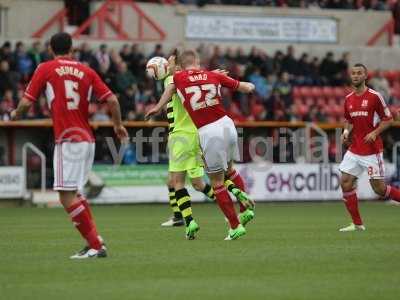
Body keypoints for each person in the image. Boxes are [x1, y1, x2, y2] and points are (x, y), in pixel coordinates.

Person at [11, 32, 128, 258]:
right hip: (87, 141)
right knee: (76, 193)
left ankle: (95, 245)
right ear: (72, 49)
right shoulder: (87, 70)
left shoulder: (45, 68)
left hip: (68, 140)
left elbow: (26, 103)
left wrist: (15, 113)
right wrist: (117, 125)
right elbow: (112, 100)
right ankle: (94, 241)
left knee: (65, 196)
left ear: (50, 49)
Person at [147, 50, 255, 240]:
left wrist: (156, 108)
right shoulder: (211, 75)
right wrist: (246, 84)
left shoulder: (176, 79)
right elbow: (245, 87)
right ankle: (240, 199)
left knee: (195, 182)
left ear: (179, 65)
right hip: (227, 125)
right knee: (225, 172)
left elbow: (173, 87)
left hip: (196, 133)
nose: (169, 64)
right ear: (197, 61)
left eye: (171, 62)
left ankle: (230, 225)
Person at [338, 63, 400, 232]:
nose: (356, 76)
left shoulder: (375, 96)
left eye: (359, 73)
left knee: (379, 189)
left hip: (371, 150)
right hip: (354, 149)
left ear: (365, 76)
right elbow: (348, 120)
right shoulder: (348, 99)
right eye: (353, 73)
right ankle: (357, 225)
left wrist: (375, 132)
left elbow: (389, 119)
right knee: (345, 182)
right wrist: (345, 132)